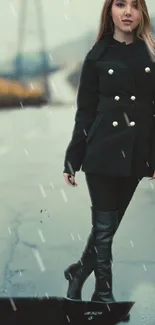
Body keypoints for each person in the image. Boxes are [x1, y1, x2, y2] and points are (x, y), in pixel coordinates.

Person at [63, 0, 155, 321]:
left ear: (142, 12)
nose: (127, 11)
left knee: (108, 227)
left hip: (136, 155)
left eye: (134, 5)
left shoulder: (150, 55)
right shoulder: (97, 55)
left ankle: (77, 273)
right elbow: (84, 112)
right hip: (101, 151)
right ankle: (103, 294)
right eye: (120, 4)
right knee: (103, 229)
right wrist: (72, 159)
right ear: (110, 12)